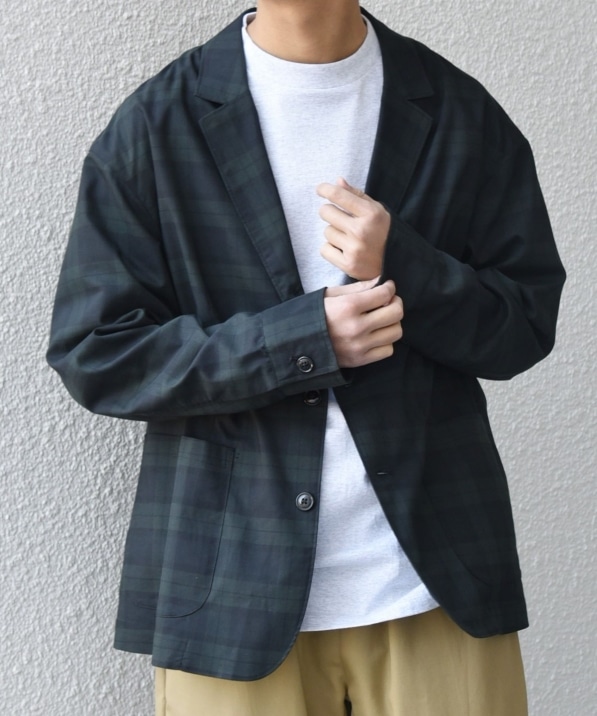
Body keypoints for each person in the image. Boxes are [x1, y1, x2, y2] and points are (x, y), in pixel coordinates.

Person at [47, 1, 565, 714]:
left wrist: (406, 267)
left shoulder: (458, 112)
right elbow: (97, 352)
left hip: (435, 583)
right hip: (228, 590)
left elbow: (523, 326)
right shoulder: (156, 126)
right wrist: (298, 343)